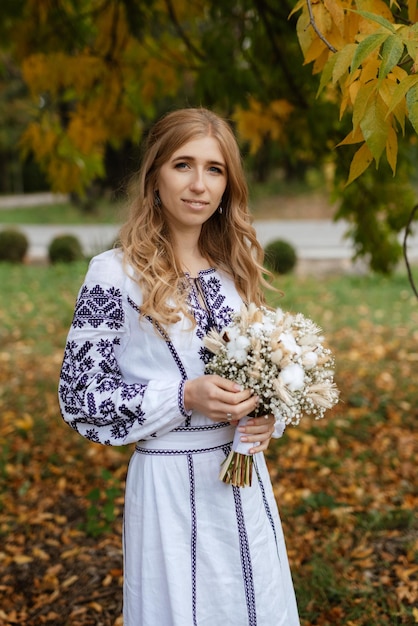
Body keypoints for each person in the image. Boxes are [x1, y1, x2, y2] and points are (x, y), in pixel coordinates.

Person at [58, 107, 300, 625]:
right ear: (154, 179)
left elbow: (258, 374)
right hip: (170, 489)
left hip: (245, 486)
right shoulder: (113, 274)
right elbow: (80, 396)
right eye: (183, 165)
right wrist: (183, 396)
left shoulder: (235, 274)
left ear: (228, 185)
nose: (199, 184)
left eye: (214, 169)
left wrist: (263, 415)